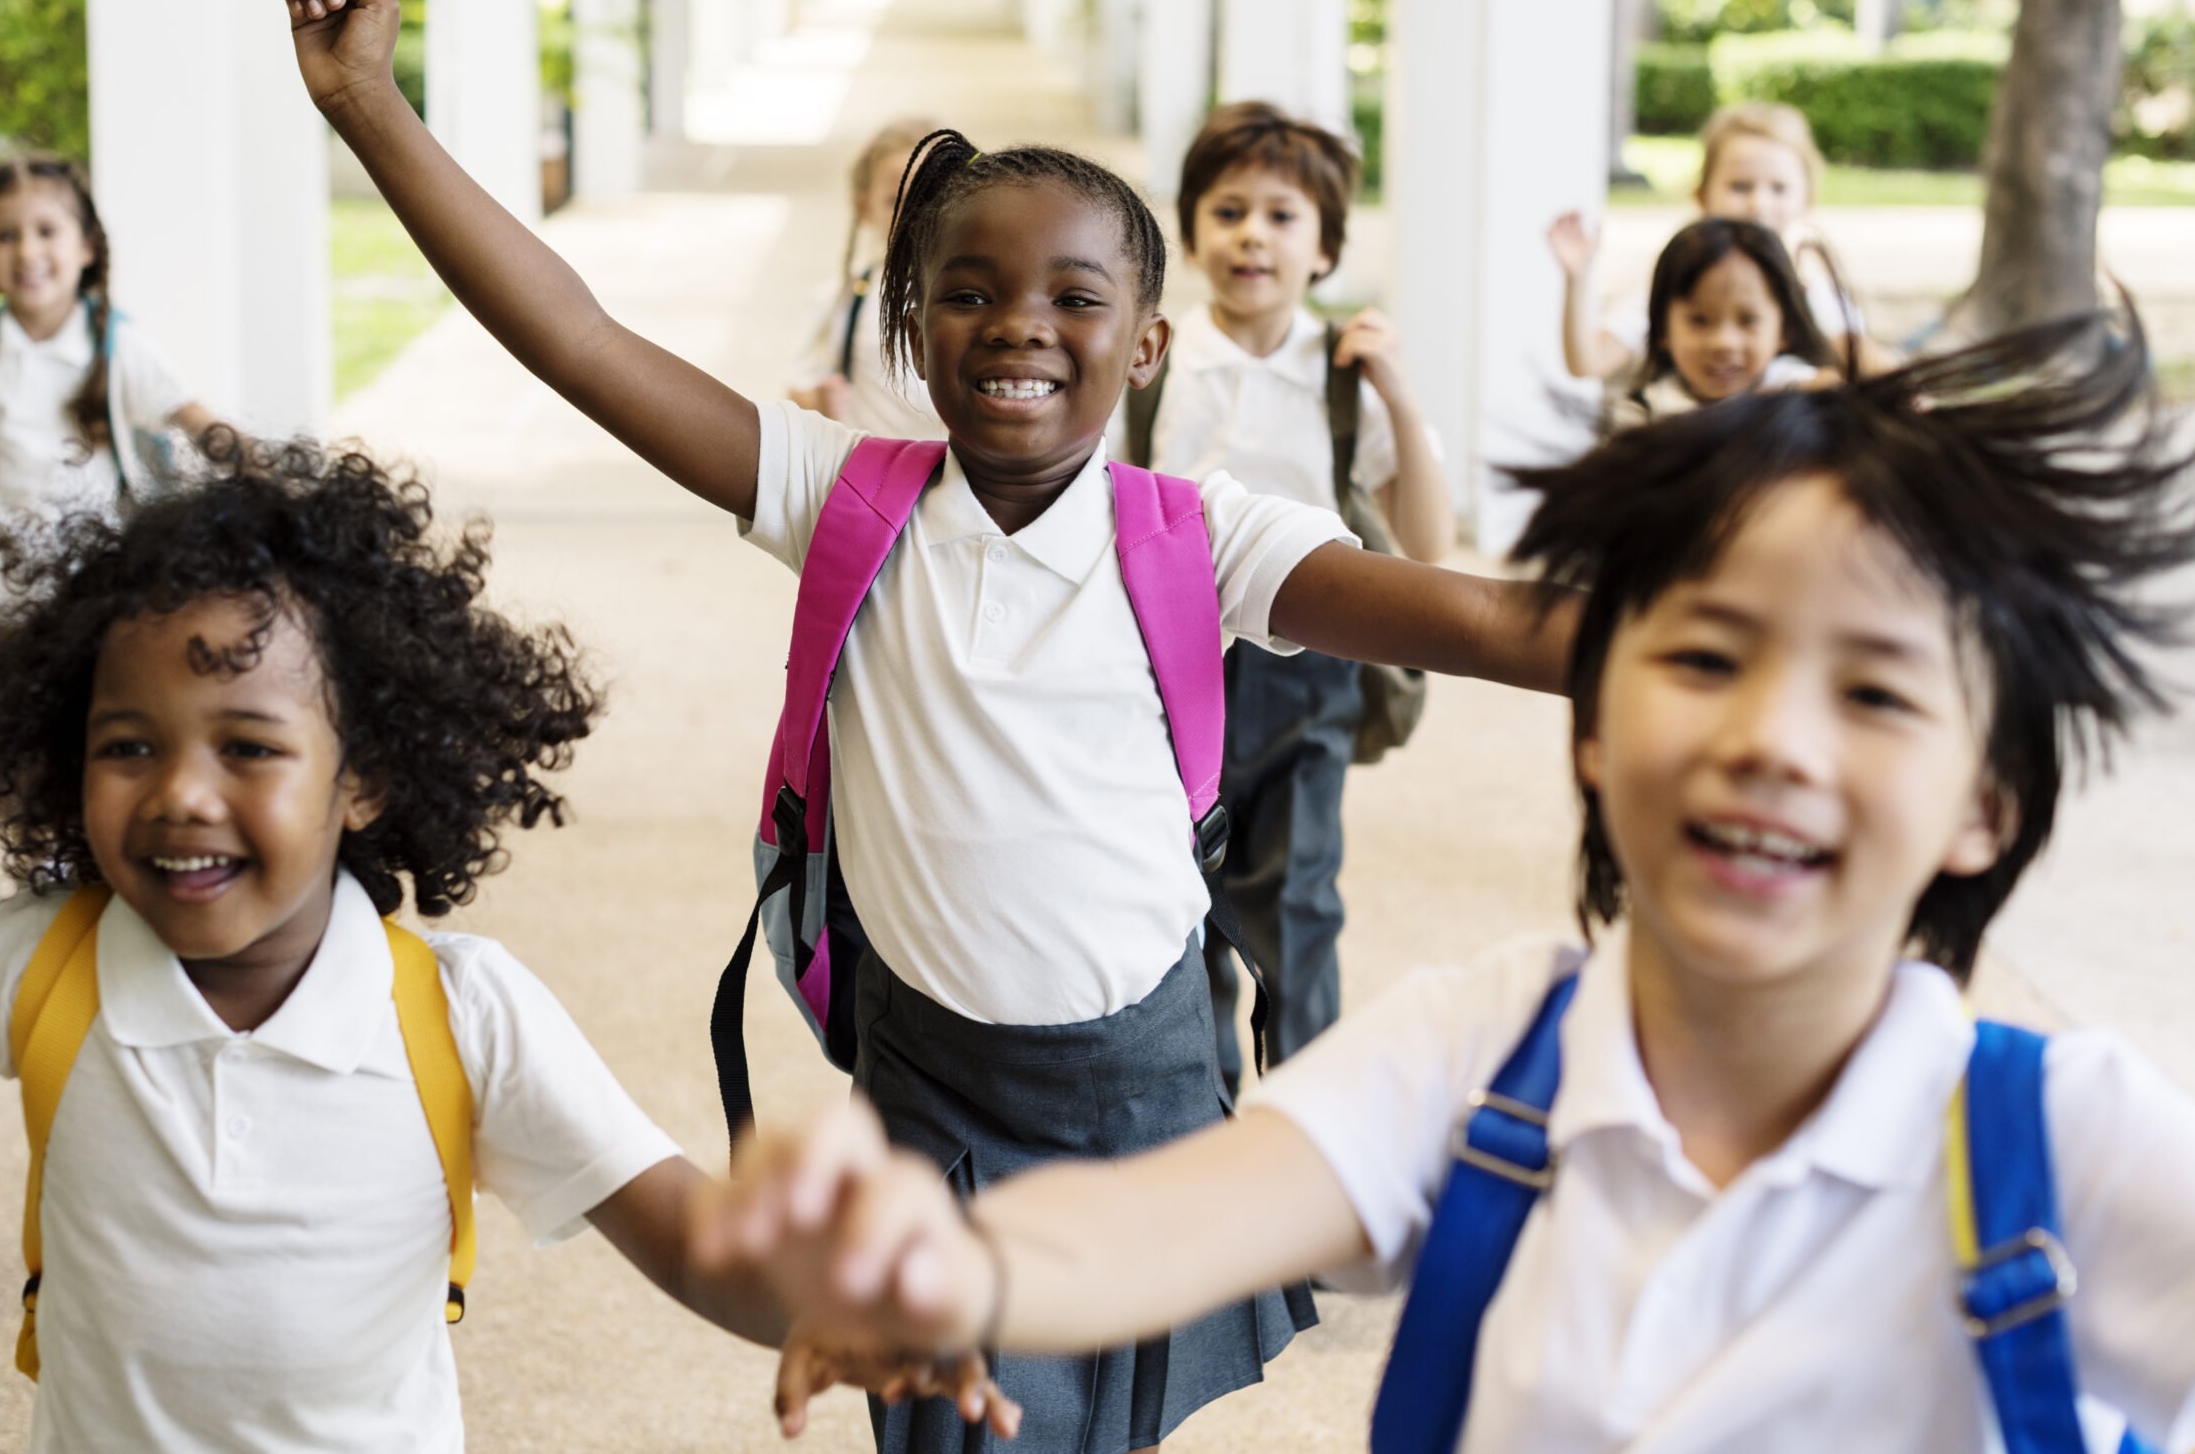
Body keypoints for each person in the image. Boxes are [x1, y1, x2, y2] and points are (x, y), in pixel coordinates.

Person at [278, 0, 1576, 1453]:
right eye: (969, 291)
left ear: (1144, 342)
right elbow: (574, 337)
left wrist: (1762, 641)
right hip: (933, 1086)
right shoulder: (841, 497)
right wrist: (370, 102)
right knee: (953, 1420)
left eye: (1072, 295)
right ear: (913, 329)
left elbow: (1486, 617)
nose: (1018, 321)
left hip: (1144, 1077)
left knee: (1103, 1416)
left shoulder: (1199, 531)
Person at [696, 310, 2195, 1452]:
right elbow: (1151, 1224)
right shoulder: (1485, 1053)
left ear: (1987, 800)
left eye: (1874, 693)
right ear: (1594, 721)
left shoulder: (2073, 1148)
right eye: (1706, 656)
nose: (1771, 741)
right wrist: (941, 1262)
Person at [0, 435, 1008, 1452]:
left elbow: (683, 1233)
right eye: (128, 743)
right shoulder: (45, 965)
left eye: (251, 744)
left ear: (367, 775)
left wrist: (842, 1309)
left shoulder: (458, 1012)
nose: (181, 792)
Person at [1127, 100, 1454, 1093]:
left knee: (1297, 898)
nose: (1250, 236)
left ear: (1324, 247)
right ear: (1190, 234)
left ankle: (1310, 1126)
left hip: (1311, 672)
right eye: (1227, 212)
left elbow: (1428, 544)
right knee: (1181, 897)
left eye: (1280, 215)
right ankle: (1205, 1116)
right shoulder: (1153, 359)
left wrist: (1396, 389)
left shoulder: (1343, 376)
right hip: (1172, 666)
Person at [0, 157, 223, 641]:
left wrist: (284, 484)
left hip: (101, 600)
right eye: (4, 236)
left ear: (87, 246)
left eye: (46, 231)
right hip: (0, 606)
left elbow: (206, 429)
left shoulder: (119, 349)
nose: (26, 251)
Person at [1551, 100, 1882, 383]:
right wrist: (1577, 278)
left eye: (1778, 188)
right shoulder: (1678, 283)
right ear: (1702, 194)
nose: (1759, 203)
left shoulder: (1813, 291)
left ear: (1806, 199)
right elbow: (1589, 362)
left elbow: (1863, 357)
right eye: (1740, 186)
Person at [1602, 217, 1840, 433]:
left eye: (1748, 320)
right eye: (1699, 320)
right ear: (1663, 329)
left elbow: (1837, 395)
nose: (1723, 342)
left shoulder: (1791, 387)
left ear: (1785, 329)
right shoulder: (1643, 413)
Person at [790, 117, 948, 438]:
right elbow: (799, 389)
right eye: (895, 202)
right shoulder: (843, 297)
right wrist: (820, 401)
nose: (914, 214)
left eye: (930, 197)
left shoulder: (980, 294)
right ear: (865, 207)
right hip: (876, 479)